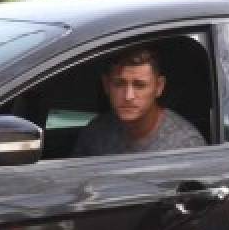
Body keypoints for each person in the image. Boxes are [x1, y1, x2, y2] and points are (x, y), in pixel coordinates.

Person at [73, 45, 205, 156]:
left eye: (139, 85)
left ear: (159, 87)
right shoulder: (96, 133)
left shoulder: (185, 146)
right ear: (106, 85)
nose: (128, 96)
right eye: (119, 84)